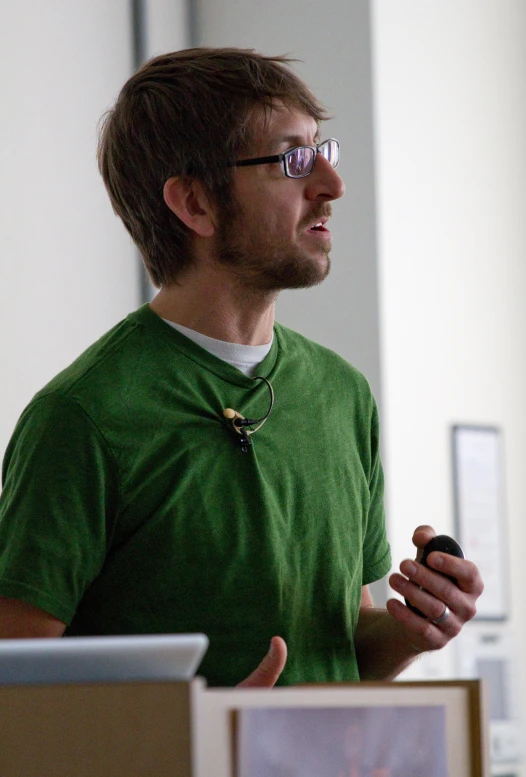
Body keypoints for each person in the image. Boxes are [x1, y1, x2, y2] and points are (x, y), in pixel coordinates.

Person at [0, 48, 483, 688]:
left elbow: (337, 652)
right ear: (195, 204)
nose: (332, 186)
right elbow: (18, 705)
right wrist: (198, 732)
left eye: (322, 151)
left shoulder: (343, 395)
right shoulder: (84, 417)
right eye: (291, 161)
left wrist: (412, 629)